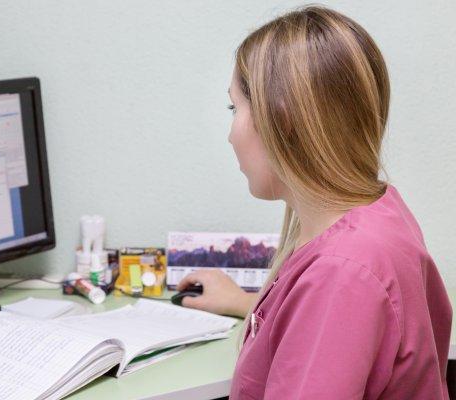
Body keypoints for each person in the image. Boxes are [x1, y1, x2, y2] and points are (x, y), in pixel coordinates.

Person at [176, 5, 452, 399]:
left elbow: (342, 295)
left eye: (234, 108)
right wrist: (243, 302)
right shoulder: (379, 211)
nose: (230, 135)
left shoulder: (341, 274)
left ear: (282, 119)